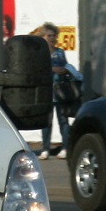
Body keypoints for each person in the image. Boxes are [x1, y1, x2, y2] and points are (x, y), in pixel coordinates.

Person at [33, 22, 80, 160]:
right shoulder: (39, 52)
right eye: (49, 35)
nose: (52, 38)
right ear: (43, 36)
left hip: (61, 92)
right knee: (46, 122)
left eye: (54, 35)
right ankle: (45, 149)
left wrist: (65, 69)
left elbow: (65, 67)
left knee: (63, 121)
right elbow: (37, 68)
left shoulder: (60, 52)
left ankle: (65, 148)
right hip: (46, 91)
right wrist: (52, 69)